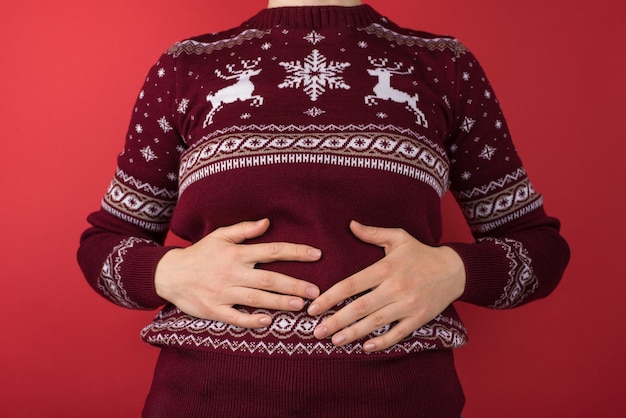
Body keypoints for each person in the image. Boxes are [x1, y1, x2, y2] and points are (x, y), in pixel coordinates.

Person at [77, 0, 570, 416]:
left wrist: (456, 271)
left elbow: (541, 248)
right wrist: (168, 273)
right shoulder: (187, 66)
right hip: (204, 398)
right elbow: (102, 247)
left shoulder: (443, 64)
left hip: (402, 400)